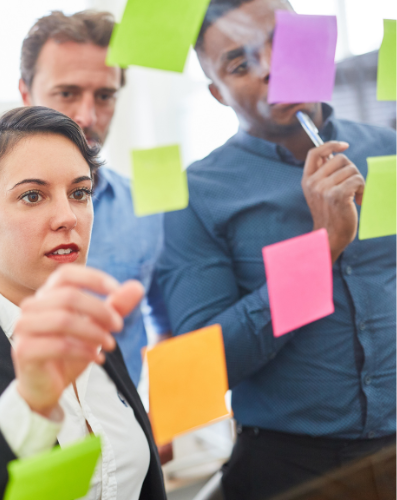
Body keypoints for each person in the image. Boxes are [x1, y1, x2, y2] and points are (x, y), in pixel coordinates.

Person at [156, 0, 396, 498]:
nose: (270, 70)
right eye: (240, 64)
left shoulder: (387, 152)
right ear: (217, 93)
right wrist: (320, 246)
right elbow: (204, 368)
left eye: (283, 45)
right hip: (288, 470)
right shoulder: (194, 196)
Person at [0, 107, 166, 500]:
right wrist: (27, 406)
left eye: (79, 193)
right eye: (32, 196)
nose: (66, 217)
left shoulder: (92, 328)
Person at [0, 10, 169, 387]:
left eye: (104, 96)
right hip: (5, 435)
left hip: (119, 431)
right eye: (67, 93)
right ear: (25, 93)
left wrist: (157, 427)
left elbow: (170, 327)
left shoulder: (145, 207)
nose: (87, 115)